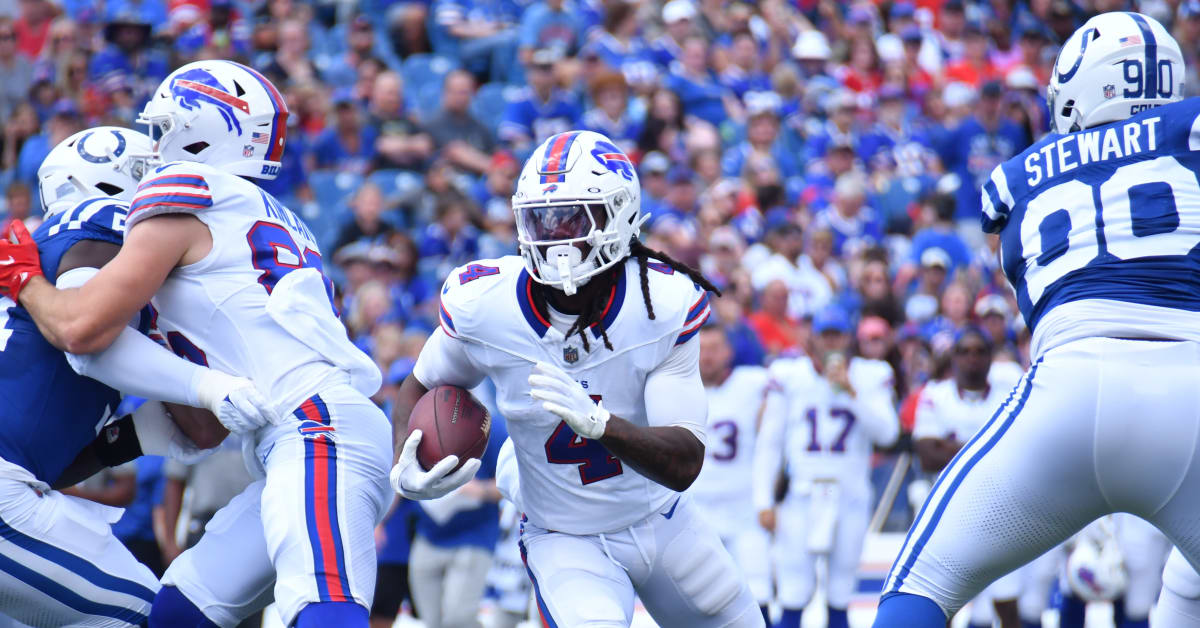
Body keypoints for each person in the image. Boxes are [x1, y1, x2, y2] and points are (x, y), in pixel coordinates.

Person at [0, 61, 407, 628]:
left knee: (322, 607)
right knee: (176, 612)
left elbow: (81, 330)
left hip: (316, 426)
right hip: (292, 434)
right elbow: (203, 424)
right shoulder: (263, 214)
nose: (156, 145)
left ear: (199, 127)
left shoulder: (187, 191)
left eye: (164, 127)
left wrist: (25, 279)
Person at [872, 13, 1200, 627]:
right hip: (1191, 388)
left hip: (1065, 395)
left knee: (917, 585)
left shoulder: (1014, 177)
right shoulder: (1190, 128)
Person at [389, 130, 764, 627]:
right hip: (565, 536)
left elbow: (685, 460)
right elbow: (420, 384)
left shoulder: (658, 304)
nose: (554, 235)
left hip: (662, 518)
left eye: (571, 217)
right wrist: (406, 459)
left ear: (619, 215)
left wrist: (602, 425)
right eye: (541, 219)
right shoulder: (487, 304)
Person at [0, 125, 276, 628]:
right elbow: (85, 332)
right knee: (157, 615)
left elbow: (198, 428)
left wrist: (134, 436)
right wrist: (210, 388)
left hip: (19, 483)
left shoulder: (38, 252)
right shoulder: (101, 222)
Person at [756, 306, 899, 628]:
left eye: (837, 334)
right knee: (794, 590)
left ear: (848, 338)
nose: (831, 342)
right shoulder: (789, 375)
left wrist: (851, 391)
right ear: (814, 338)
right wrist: (764, 500)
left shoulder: (870, 375)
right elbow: (770, 442)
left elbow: (887, 433)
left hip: (850, 495)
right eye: (825, 335)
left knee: (840, 592)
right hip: (801, 496)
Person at [910, 328, 1020, 628]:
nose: (972, 358)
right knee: (942, 604)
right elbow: (927, 455)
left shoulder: (1010, 392)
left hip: (1001, 513)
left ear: (990, 357)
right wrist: (990, 445)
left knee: (1007, 605)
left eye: (979, 351)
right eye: (965, 351)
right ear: (954, 357)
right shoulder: (935, 394)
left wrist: (952, 446)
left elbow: (1019, 450)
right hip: (949, 514)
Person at [690, 325, 773, 624]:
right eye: (703, 349)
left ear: (729, 352)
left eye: (715, 348)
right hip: (696, 512)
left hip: (744, 510)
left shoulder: (752, 383)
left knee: (757, 589)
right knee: (698, 598)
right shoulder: (678, 387)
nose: (708, 356)